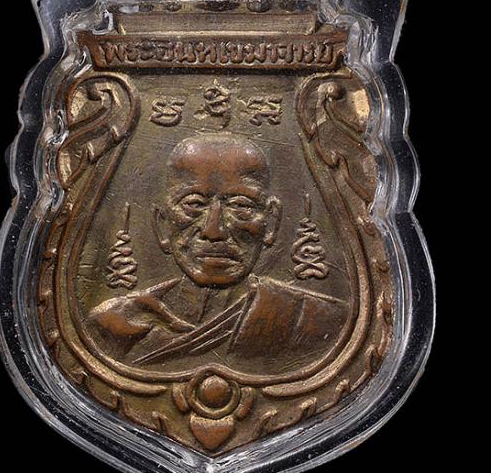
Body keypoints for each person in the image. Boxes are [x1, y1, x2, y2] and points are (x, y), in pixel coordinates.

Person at [89, 133, 349, 369]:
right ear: (162, 225)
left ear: (271, 223)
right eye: (193, 204)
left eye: (241, 205)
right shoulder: (115, 324)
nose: (214, 230)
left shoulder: (317, 322)